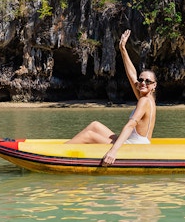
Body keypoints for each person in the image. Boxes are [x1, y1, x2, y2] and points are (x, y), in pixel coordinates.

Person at [65, 29, 157, 166]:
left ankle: (60, 151)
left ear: (154, 85)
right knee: (95, 125)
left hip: (135, 146)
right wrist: (123, 49)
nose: (143, 83)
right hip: (137, 142)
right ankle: (66, 146)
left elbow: (131, 124)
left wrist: (113, 151)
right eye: (141, 80)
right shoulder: (148, 98)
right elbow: (132, 76)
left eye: (148, 81)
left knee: (89, 135)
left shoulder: (143, 101)